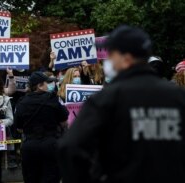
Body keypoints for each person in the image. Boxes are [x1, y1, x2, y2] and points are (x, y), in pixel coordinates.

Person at [58, 25, 185, 183]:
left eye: (111, 54)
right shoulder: (177, 96)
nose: (108, 60)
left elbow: (70, 147)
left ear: (126, 58)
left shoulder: (106, 99)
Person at [14, 71, 69, 183]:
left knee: (31, 178)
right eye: (46, 83)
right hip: (50, 144)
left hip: (30, 146)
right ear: (39, 85)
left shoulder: (22, 102)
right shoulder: (52, 100)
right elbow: (64, 122)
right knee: (51, 177)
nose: (49, 85)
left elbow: (18, 127)